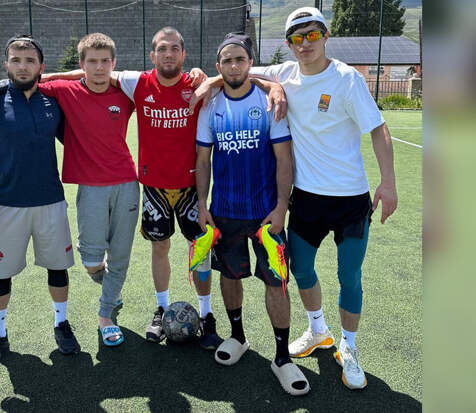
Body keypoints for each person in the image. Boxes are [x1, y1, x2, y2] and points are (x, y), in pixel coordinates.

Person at [38, 26, 286, 349]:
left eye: (174, 49)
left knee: (200, 252)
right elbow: (92, 72)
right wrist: (43, 77)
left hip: (190, 187)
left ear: (183, 55)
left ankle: (206, 314)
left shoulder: (197, 85)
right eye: (162, 49)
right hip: (154, 186)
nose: (168, 54)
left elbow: (238, 77)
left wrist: (271, 86)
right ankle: (161, 307)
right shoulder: (137, 82)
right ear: (152, 55)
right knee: (160, 248)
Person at [194, 7, 399, 390]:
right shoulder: (282, 74)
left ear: (325, 36)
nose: (305, 43)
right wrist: (210, 83)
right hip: (301, 200)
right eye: (297, 38)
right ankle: (314, 331)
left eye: (312, 35)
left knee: (345, 276)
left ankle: (343, 348)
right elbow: (238, 74)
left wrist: (388, 182)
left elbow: (377, 129)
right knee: (298, 271)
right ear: (288, 44)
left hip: (347, 199)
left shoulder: (347, 79)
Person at [0, 33, 139, 347]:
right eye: (92, 62)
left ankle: (92, 317)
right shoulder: (61, 91)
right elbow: (25, 80)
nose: (99, 67)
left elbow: (160, 86)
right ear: (82, 65)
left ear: (114, 63)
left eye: (105, 61)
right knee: (88, 262)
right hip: (61, 192)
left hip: (113, 186)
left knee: (105, 259)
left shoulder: (122, 93)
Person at [195, 32, 309, 396]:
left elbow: (283, 160)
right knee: (230, 276)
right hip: (224, 212)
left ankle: (282, 357)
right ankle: (238, 337)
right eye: (227, 60)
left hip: (265, 215)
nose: (233, 66)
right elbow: (203, 161)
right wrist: (202, 205)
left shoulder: (269, 101)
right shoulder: (210, 105)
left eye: (239, 59)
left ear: (250, 63)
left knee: (277, 283)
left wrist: (281, 207)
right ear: (218, 66)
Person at [0, 35, 78, 372]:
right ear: (6, 64)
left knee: (57, 268)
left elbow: (76, 135)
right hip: (6, 205)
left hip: (50, 201)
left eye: (29, 60)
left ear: (41, 67)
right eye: (15, 60)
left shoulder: (52, 101)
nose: (22, 66)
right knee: (2, 273)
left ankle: (61, 324)